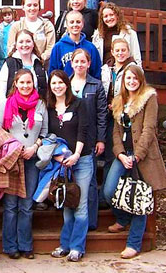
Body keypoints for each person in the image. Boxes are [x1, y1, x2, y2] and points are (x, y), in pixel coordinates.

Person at [104, 65, 166, 259]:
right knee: (108, 190)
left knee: (140, 198)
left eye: (135, 79)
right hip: (124, 153)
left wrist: (137, 155)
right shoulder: (119, 101)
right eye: (128, 78)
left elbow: (149, 129)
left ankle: (133, 244)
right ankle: (122, 218)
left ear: (140, 80)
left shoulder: (149, 98)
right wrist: (121, 154)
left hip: (143, 155)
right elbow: (116, 132)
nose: (131, 81)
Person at [0, 69, 48, 259]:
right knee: (10, 205)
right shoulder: (7, 104)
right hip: (11, 162)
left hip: (31, 160)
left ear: (33, 84)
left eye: (29, 82)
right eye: (22, 82)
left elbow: (45, 133)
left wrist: (34, 147)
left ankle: (25, 245)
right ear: (15, 84)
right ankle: (10, 246)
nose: (25, 86)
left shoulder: (40, 105)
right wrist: (14, 148)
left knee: (26, 205)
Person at [48, 70, 92, 262]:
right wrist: (57, 157)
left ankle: (77, 247)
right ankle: (65, 244)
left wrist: (76, 154)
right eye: (53, 83)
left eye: (60, 82)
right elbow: (48, 136)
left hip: (81, 160)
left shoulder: (79, 104)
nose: (57, 86)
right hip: (62, 162)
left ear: (67, 84)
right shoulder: (49, 108)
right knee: (67, 201)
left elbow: (83, 130)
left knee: (80, 203)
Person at [70, 49, 107, 230]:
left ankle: (90, 222)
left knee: (90, 182)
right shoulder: (66, 83)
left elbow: (102, 114)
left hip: (90, 139)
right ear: (71, 63)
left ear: (88, 64)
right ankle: (71, 221)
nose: (79, 64)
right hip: (69, 139)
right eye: (76, 61)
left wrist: (101, 139)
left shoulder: (96, 85)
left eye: (83, 61)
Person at [99, 38, 137, 209]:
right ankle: (105, 196)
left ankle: (113, 195)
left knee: (114, 153)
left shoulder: (133, 69)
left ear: (128, 52)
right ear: (112, 52)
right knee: (108, 152)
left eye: (124, 50)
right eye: (117, 50)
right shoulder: (106, 69)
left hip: (123, 115)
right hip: (107, 114)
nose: (120, 53)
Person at [0, 29, 47, 108]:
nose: (25, 44)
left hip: (36, 111)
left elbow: (45, 89)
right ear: (16, 45)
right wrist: (2, 111)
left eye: (28, 41)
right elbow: (1, 91)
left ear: (33, 44)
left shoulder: (39, 64)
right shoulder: (9, 64)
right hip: (14, 111)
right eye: (21, 42)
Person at [49, 10, 101, 79]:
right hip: (64, 88)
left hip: (87, 87)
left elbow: (96, 73)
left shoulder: (91, 47)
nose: (75, 25)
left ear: (82, 24)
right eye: (71, 22)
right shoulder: (58, 47)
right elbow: (53, 73)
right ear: (66, 25)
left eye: (78, 22)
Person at [7, 0, 55, 66]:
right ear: (23, 7)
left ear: (39, 7)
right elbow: (11, 47)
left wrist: (38, 59)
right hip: (20, 65)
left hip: (42, 65)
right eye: (29, 5)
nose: (32, 8)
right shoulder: (16, 26)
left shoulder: (47, 25)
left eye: (35, 5)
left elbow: (51, 47)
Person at [92, 2, 142, 67]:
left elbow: (136, 57)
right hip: (105, 71)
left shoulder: (129, 33)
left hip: (125, 71)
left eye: (111, 15)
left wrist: (138, 73)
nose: (109, 18)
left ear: (117, 15)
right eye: (105, 16)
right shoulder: (98, 35)